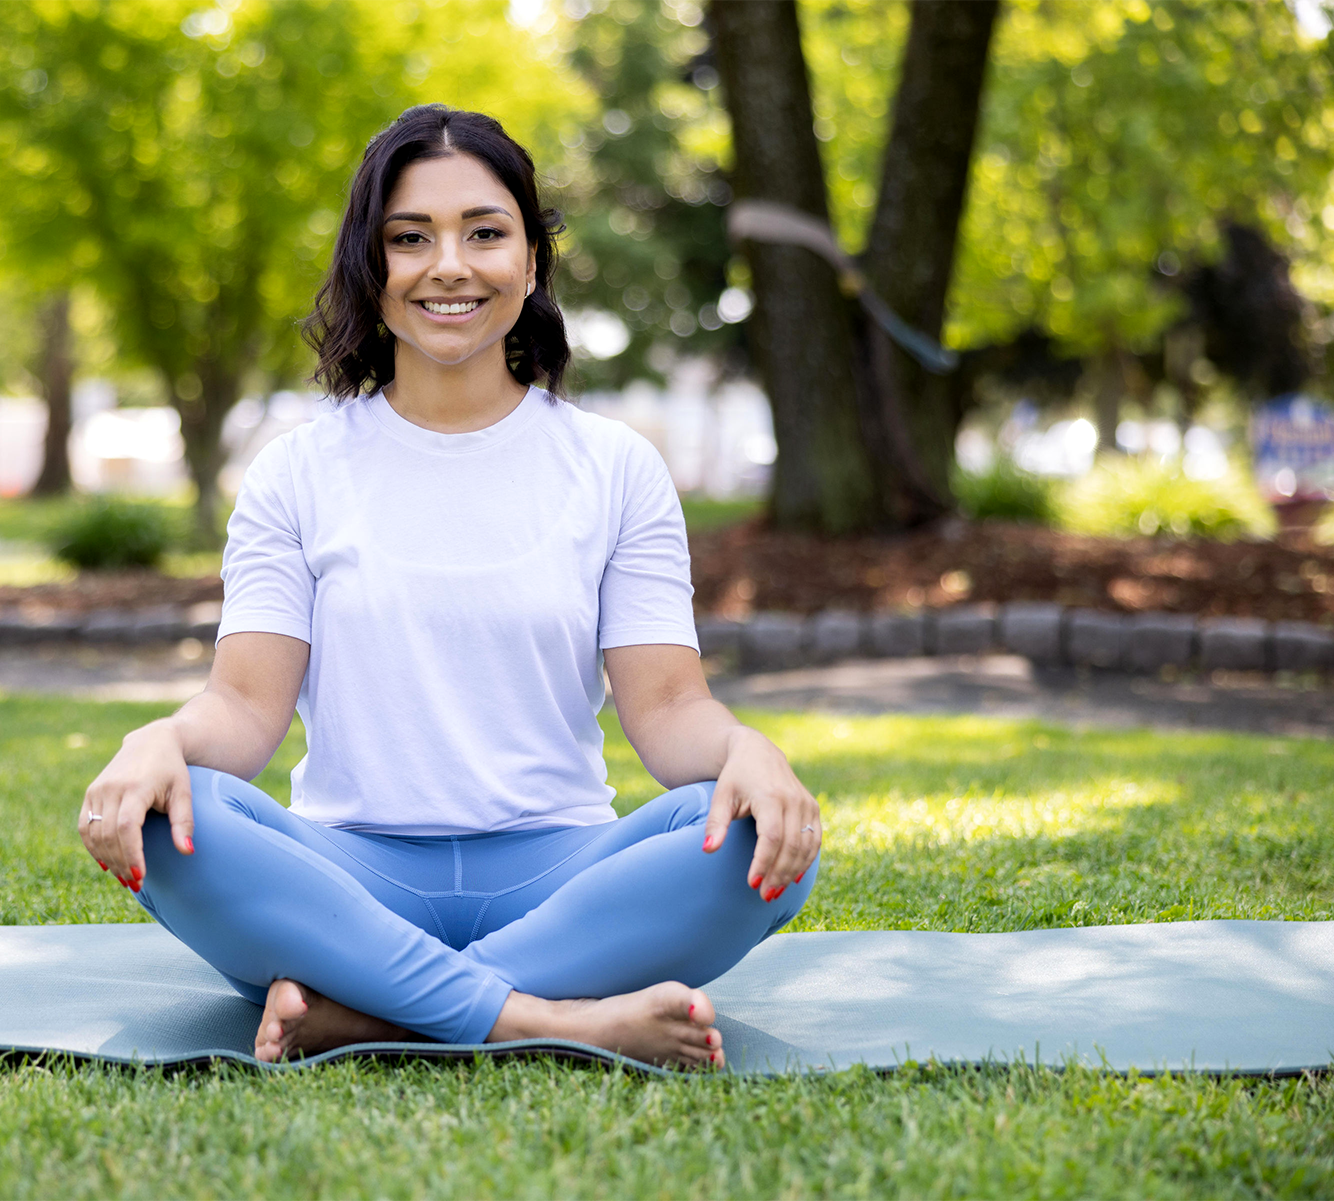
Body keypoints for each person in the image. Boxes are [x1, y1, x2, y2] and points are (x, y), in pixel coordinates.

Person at [78, 105, 822, 1069]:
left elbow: (672, 708)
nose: (450, 266)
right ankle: (552, 1017)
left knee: (769, 836)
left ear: (531, 261)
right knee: (179, 820)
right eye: (410, 238)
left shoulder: (615, 467)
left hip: (565, 874)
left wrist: (748, 751)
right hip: (346, 876)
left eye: (485, 232)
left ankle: (376, 1012)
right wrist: (159, 739)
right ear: (369, 264)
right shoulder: (297, 471)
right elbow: (242, 708)